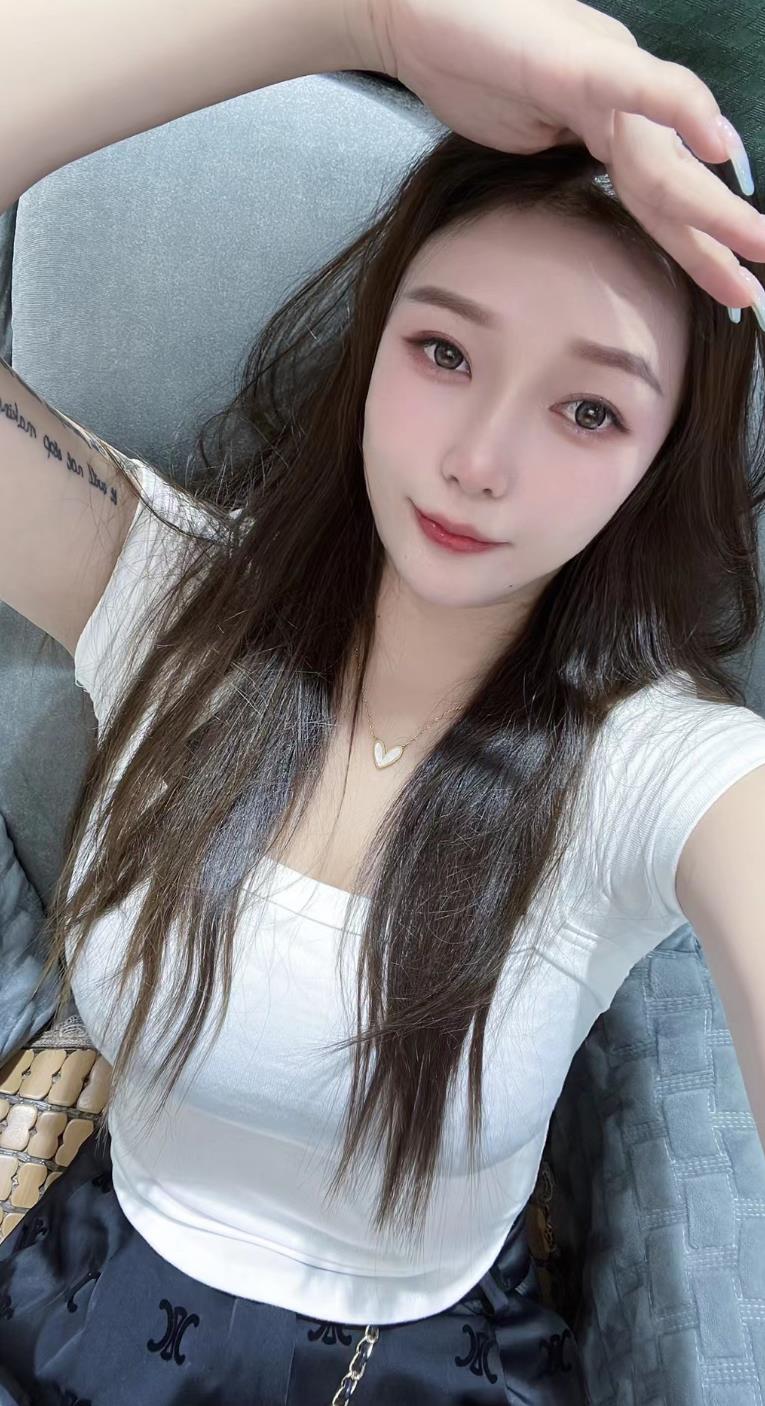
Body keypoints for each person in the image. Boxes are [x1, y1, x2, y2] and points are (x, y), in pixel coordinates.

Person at [0, 0, 764, 1402]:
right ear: (372, 346)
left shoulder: (660, 768)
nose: (479, 460)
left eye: (589, 410)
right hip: (88, 1302)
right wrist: (360, 18)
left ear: (658, 461)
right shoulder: (161, 590)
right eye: (445, 353)